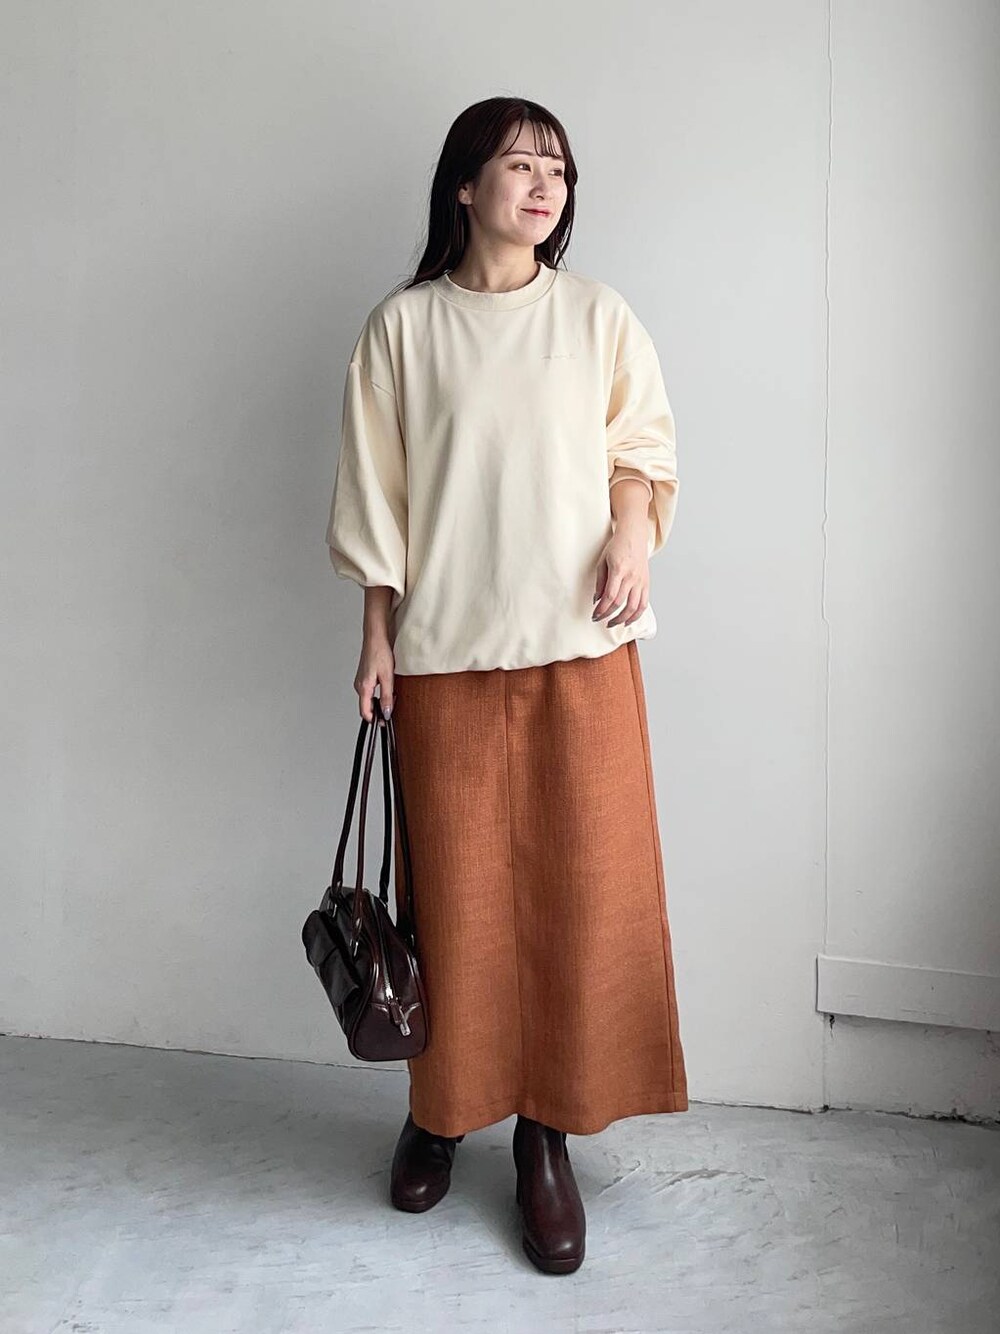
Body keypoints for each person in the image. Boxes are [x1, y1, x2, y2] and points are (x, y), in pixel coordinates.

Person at [325, 96, 688, 1275]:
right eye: (519, 165)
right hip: (444, 654)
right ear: (463, 186)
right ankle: (439, 1109)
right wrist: (375, 639)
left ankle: (545, 1130)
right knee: (453, 904)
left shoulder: (595, 316)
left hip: (581, 649)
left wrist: (629, 533)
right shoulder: (403, 328)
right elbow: (377, 500)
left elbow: (640, 450)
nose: (542, 186)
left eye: (558, 171)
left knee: (582, 895)